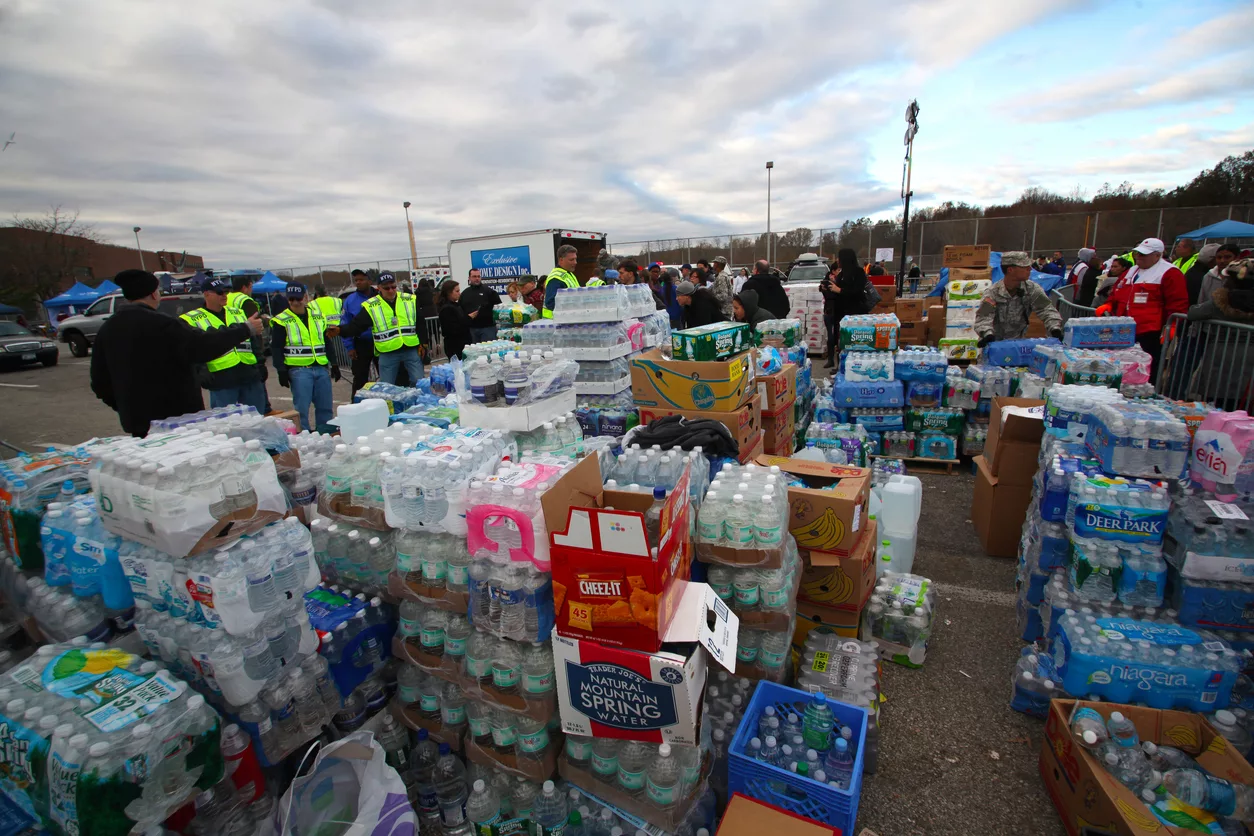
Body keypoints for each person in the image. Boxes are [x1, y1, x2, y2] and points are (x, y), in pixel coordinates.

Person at [91, 269, 263, 437]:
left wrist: (125, 405)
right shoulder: (162, 325)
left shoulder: (107, 330)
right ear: (153, 294)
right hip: (177, 420)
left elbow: (99, 382)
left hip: (137, 421)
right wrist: (245, 329)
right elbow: (202, 346)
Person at [1100, 237, 1189, 377]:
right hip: (1124, 328)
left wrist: (1172, 325)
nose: (1139, 257)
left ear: (1157, 255)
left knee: (1147, 366)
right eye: (1138, 254)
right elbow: (1119, 290)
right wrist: (1109, 303)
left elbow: (1178, 302)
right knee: (1123, 364)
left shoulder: (1170, 273)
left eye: (1143, 255)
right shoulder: (1132, 271)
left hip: (1150, 330)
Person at [180, 276, 268, 414]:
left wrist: (260, 364)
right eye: (219, 292)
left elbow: (253, 342)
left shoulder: (238, 312)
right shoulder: (192, 319)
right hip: (221, 379)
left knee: (257, 419)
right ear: (207, 294)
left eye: (226, 292)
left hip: (249, 374)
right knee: (226, 423)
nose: (224, 295)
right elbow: (192, 348)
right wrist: (201, 371)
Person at [1184, 257, 1254, 410]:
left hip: (1221, 355)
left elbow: (1193, 313)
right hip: (1249, 357)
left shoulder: (1222, 300)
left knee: (1217, 403)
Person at [271, 283, 339, 433]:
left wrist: (334, 363)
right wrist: (281, 370)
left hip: (321, 367)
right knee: (301, 409)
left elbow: (326, 341)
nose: (296, 302)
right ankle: (305, 437)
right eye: (292, 299)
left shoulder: (317, 317)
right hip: (299, 370)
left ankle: (326, 433)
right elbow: (276, 347)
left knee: (325, 407)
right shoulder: (281, 320)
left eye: (299, 298)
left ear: (306, 297)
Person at [338, 271, 424, 385]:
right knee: (386, 386)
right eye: (386, 288)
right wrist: (340, 331)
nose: (391, 290)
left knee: (418, 382)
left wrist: (424, 343)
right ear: (379, 288)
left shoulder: (409, 300)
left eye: (393, 287)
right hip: (386, 351)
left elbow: (420, 322)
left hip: (410, 348)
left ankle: (418, 402)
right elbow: (356, 325)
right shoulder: (372, 305)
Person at [974, 251, 1063, 345]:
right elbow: (983, 317)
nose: (1029, 269)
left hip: (1018, 345)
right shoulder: (992, 293)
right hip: (994, 345)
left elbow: (1046, 310)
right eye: (1024, 267)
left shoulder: (1031, 289)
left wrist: (1055, 328)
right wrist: (988, 334)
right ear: (1010, 270)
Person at [822, 248, 872, 366]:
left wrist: (839, 290)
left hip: (855, 314)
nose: (837, 260)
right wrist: (827, 289)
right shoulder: (841, 274)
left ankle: (856, 366)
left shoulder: (859, 273)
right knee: (842, 343)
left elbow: (857, 291)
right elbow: (836, 294)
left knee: (855, 343)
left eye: (839, 257)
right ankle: (841, 366)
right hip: (841, 314)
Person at [341, 269, 377, 397]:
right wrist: (349, 346)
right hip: (361, 343)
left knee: (387, 376)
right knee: (360, 378)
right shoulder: (350, 301)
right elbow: (345, 323)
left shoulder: (379, 296)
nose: (358, 282)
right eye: (356, 280)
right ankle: (356, 404)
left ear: (369, 281)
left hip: (381, 342)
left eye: (361, 279)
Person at [460, 267, 501, 343]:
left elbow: (498, 307)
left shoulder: (489, 291)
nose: (477, 279)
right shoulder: (464, 293)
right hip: (471, 329)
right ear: (469, 278)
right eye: (474, 276)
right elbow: (461, 310)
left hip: (488, 328)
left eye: (478, 276)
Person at [437, 279, 473, 360]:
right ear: (449, 292)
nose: (459, 293)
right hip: (455, 346)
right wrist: (469, 318)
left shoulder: (456, 305)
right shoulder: (446, 308)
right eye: (457, 291)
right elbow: (452, 329)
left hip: (462, 343)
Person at [542, 244, 580, 318]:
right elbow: (550, 303)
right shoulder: (556, 278)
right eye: (571, 260)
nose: (575, 262)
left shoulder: (569, 274)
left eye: (575, 259)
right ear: (561, 260)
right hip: (556, 323)